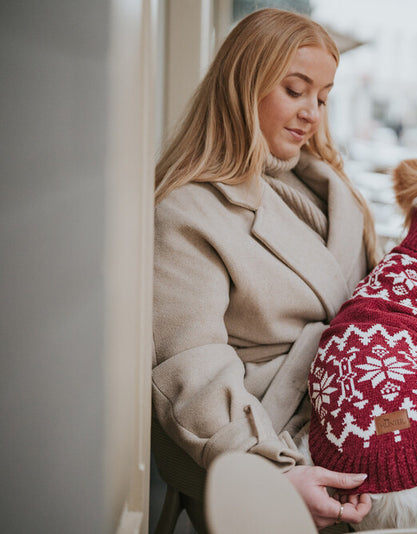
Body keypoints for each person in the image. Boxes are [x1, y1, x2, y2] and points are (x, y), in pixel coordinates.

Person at [151, 9, 379, 531]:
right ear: (243, 84)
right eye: (295, 90)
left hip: (347, 425)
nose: (312, 113)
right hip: (258, 446)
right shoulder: (187, 210)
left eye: (322, 97)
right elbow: (192, 366)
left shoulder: (334, 193)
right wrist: (271, 468)